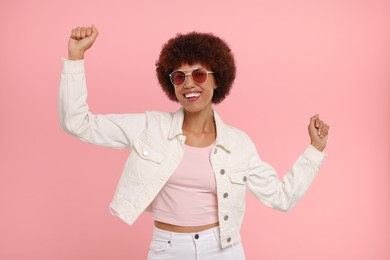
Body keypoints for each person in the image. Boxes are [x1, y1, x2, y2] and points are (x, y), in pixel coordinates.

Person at [59, 25, 329, 260]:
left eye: (199, 74)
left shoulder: (239, 144)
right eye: (179, 76)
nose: (189, 84)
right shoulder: (149, 127)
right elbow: (77, 123)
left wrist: (314, 151)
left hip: (224, 250)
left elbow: (281, 198)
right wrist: (75, 57)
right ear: (172, 84)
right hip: (168, 248)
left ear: (217, 80)